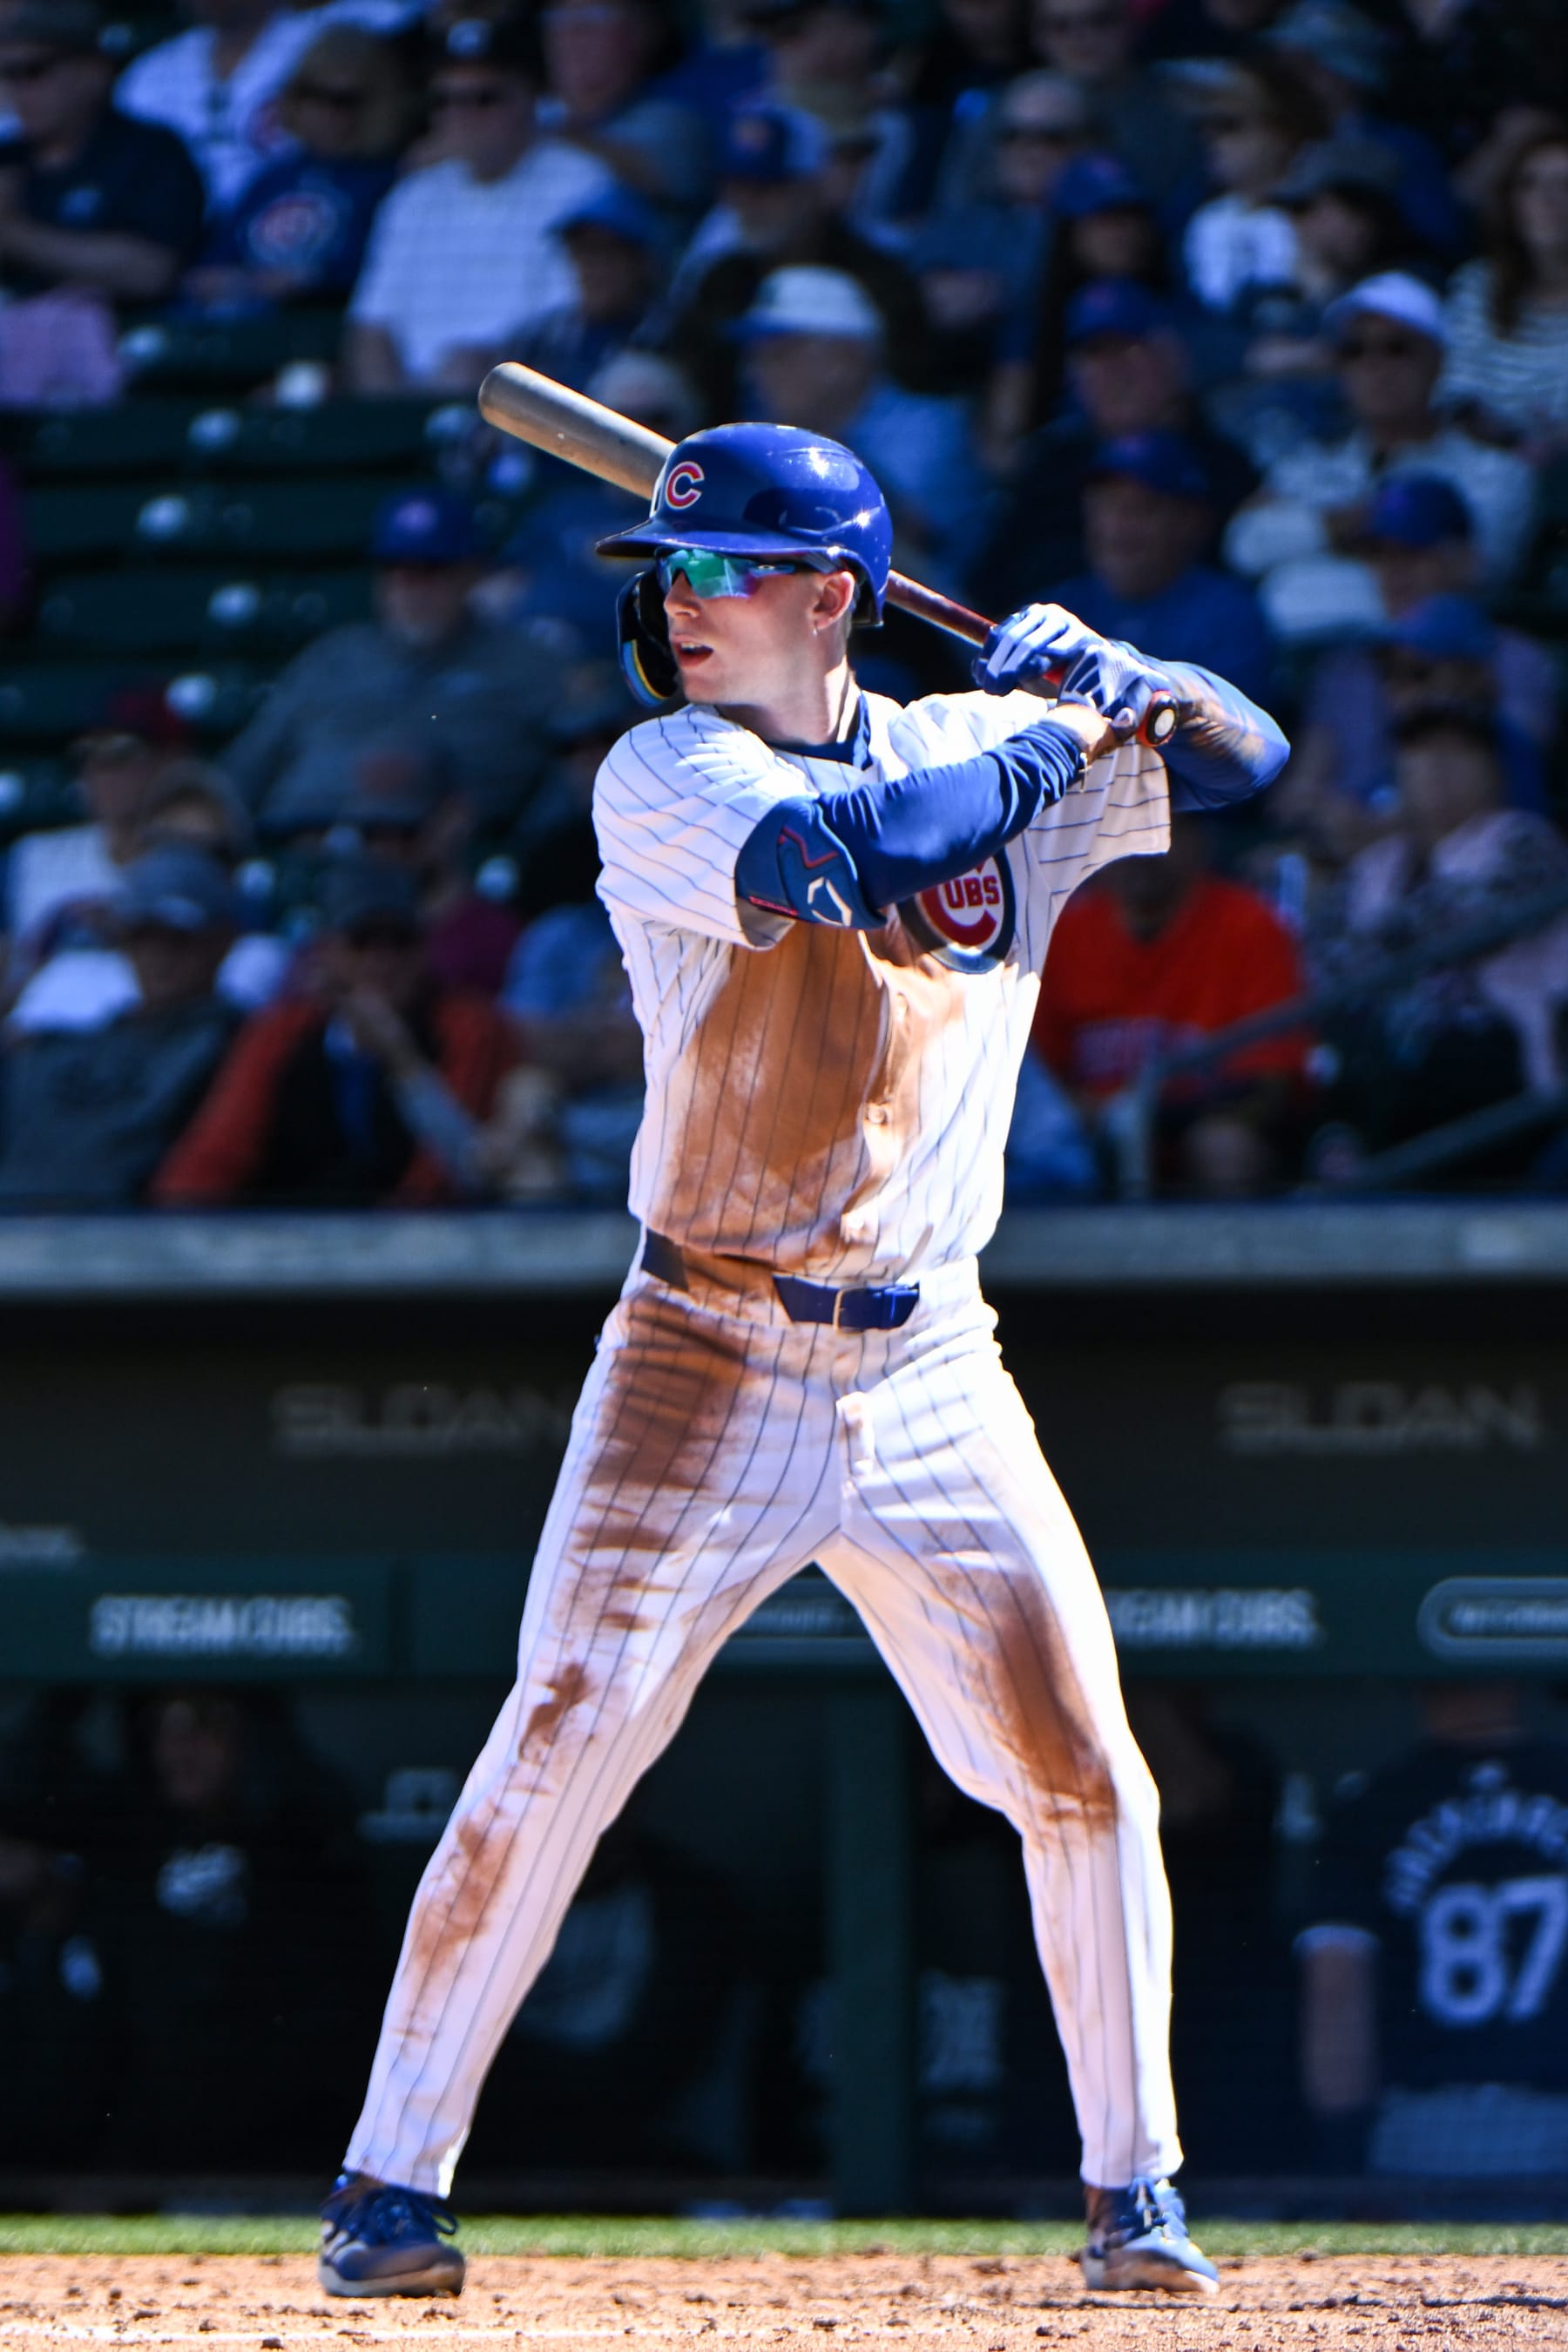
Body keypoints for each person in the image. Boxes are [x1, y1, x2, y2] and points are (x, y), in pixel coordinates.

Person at [315, 419, 1287, 2299]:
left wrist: (1141, 681)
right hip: (704, 1342)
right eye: (668, 580)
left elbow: (1250, 764)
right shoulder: (665, 773)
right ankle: (387, 2187)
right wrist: (1047, 729)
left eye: (721, 573)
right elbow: (854, 859)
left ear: (831, 596)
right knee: (565, 1734)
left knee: (1082, 1766)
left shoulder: (971, 737)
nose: (679, 608)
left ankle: (1135, 2197)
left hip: (934, 1356)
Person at [1300, 1682, 1568, 2177]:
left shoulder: (1376, 1802)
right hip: (1555, 2122)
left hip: (1425, 2132)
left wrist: (1340, 2158)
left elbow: (1336, 1996)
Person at [152, 856, 521, 1207]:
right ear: (327, 952)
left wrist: (402, 1060)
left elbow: (455, 1172)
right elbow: (216, 1153)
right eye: (363, 942)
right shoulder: (281, 1031)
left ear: (424, 950)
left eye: (399, 942)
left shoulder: (469, 1026)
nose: (383, 962)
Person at [1308, 707, 1568, 1175]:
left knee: (1440, 1068)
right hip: (1384, 1051)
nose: (1436, 768)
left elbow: (1465, 927)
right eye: (1419, 754)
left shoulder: (1528, 843)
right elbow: (1323, 957)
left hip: (1497, 1046)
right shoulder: (1376, 864)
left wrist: (1375, 945)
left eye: (1458, 753)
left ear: (1494, 772)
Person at [220, 486, 557, 835]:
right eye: (392, 568)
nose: (407, 587)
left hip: (430, 859)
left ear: (471, 573)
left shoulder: (527, 664)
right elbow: (243, 771)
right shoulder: (332, 656)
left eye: (429, 569)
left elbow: (581, 772)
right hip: (296, 852)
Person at [1224, 271, 1537, 642]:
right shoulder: (1312, 463)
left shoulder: (1496, 471)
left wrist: (1306, 556)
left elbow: (1474, 577)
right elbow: (1245, 548)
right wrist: (1343, 526)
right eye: (1355, 350)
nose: (1375, 365)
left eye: (1396, 347)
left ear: (1437, 360)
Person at [1033, 815, 1309, 1197]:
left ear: (1200, 841)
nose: (1141, 848)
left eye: (1162, 827)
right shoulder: (1065, 932)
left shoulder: (1250, 925)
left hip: (1198, 1133)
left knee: (1224, 1148)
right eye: (1125, 829)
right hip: (1085, 1141)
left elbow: (1271, 1085)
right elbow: (1039, 1077)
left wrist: (1154, 1118)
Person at [342, 16, 612, 395]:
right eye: (446, 100)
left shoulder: (581, 182)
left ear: (531, 99)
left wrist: (493, 371)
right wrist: (391, 411)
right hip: (409, 403)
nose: (462, 116)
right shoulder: (414, 195)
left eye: (484, 99)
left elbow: (570, 322)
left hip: (522, 406)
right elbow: (371, 328)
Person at [977, 279, 1256, 601]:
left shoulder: (1222, 468)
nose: (1113, 372)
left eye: (1130, 350)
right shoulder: (1051, 465)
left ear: (1173, 357)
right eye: (1095, 356)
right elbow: (988, 586)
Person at [0, 846, 241, 1208]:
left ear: (221, 942)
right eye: (143, 937)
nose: (159, 956)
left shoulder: (239, 1046)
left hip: (129, 1244)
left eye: (178, 939)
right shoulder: (56, 1049)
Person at [661, 100, 934, 419]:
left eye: (767, 188)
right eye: (737, 187)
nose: (748, 205)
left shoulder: (878, 276)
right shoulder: (722, 278)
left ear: (812, 187)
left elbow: (911, 384)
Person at [738, 265, 985, 577]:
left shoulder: (929, 428)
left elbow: (903, 543)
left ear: (845, 359)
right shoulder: (770, 430)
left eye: (777, 355)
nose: (754, 374)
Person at [186, 24, 415, 313]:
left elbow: (373, 274)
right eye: (313, 95)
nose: (325, 112)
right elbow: (209, 269)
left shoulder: (391, 181)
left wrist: (306, 282)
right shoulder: (272, 178)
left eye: (344, 101)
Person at [116, 0, 419, 212]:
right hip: (177, 237)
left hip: (295, 219)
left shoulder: (321, 35)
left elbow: (410, 12)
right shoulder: (151, 71)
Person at [0, 1, 206, 311]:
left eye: (34, 70)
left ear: (94, 70)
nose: (17, 89)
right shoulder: (8, 157)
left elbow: (150, 271)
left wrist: (16, 236)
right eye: (6, 73)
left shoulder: (148, 152)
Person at [1051, 431, 1276, 708]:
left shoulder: (1229, 617)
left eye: (1143, 509)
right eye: (1105, 507)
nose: (1116, 528)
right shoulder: (1058, 608)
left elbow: (1230, 740)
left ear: (1191, 522)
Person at [2, 686, 190, 1003]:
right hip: (39, 1041)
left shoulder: (200, 865)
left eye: (120, 754)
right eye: (87, 755)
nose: (100, 772)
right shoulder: (34, 858)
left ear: (170, 760)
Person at [1441, 120, 1568, 450]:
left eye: (1564, 185)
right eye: (1530, 185)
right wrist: (1515, 446)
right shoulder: (1477, 287)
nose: (1547, 199)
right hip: (1487, 467)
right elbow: (1457, 398)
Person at [1181, 56, 1322, 316]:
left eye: (1228, 126)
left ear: (1281, 132)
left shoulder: (1318, 215)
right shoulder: (1204, 220)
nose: (1212, 139)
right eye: (1206, 126)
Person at [1031, 0, 1204, 209]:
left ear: (1131, 25)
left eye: (1100, 21)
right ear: (1039, 37)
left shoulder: (1179, 106)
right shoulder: (1015, 107)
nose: (1081, 38)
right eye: (1060, 26)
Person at [538, 0, 708, 213]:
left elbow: (650, 175)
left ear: (644, 33)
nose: (572, 33)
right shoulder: (532, 112)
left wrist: (542, 133)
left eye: (595, 16)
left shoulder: (674, 121)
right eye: (558, 19)